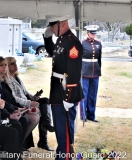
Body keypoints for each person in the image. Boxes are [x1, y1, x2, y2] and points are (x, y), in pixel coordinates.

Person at [43, 15, 84, 159]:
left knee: (64, 129)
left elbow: (74, 71)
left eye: (53, 26)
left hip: (65, 93)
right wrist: (47, 39)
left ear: (62, 23)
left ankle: (65, 156)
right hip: (57, 91)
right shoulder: (62, 40)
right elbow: (53, 53)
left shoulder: (72, 43)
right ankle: (61, 152)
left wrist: (69, 97)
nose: (52, 30)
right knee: (60, 128)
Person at [6, 56, 55, 151]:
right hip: (20, 104)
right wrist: (30, 102)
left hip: (26, 101)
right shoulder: (7, 80)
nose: (16, 65)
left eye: (16, 63)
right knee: (41, 110)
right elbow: (14, 98)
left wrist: (34, 97)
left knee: (45, 101)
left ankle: (45, 127)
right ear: (7, 66)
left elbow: (25, 92)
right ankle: (43, 139)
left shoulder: (17, 77)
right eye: (12, 63)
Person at [0, 56, 40, 151]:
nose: (4, 67)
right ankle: (16, 145)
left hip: (12, 108)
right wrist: (17, 109)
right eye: (1, 65)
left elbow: (14, 98)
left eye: (5, 65)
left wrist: (19, 108)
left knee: (38, 111)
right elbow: (4, 101)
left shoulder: (5, 80)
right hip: (4, 112)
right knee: (31, 119)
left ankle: (18, 144)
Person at [80, 25, 102, 123]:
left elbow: (99, 59)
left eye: (94, 33)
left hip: (95, 71)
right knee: (84, 94)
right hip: (85, 71)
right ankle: (83, 115)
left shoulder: (98, 44)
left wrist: (98, 69)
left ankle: (91, 115)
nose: (93, 35)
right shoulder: (82, 44)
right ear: (87, 33)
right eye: (91, 33)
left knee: (93, 95)